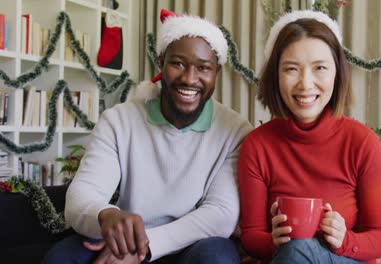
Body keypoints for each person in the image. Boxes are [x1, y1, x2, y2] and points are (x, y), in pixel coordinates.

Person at [44, 8, 252, 264]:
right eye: (178, 63)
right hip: (127, 238)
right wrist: (106, 215)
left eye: (203, 68)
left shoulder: (235, 131)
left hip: (192, 244)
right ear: (161, 62)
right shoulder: (118, 121)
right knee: (61, 258)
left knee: (217, 257)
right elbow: (82, 196)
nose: (189, 78)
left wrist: (146, 247)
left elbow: (221, 215)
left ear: (216, 73)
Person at [238, 10, 381, 264]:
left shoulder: (362, 142)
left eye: (319, 67)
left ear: (337, 73)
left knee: (297, 250)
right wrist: (273, 241)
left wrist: (346, 240)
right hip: (286, 258)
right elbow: (251, 235)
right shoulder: (257, 146)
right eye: (291, 69)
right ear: (275, 76)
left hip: (345, 260)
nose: (305, 84)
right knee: (295, 249)